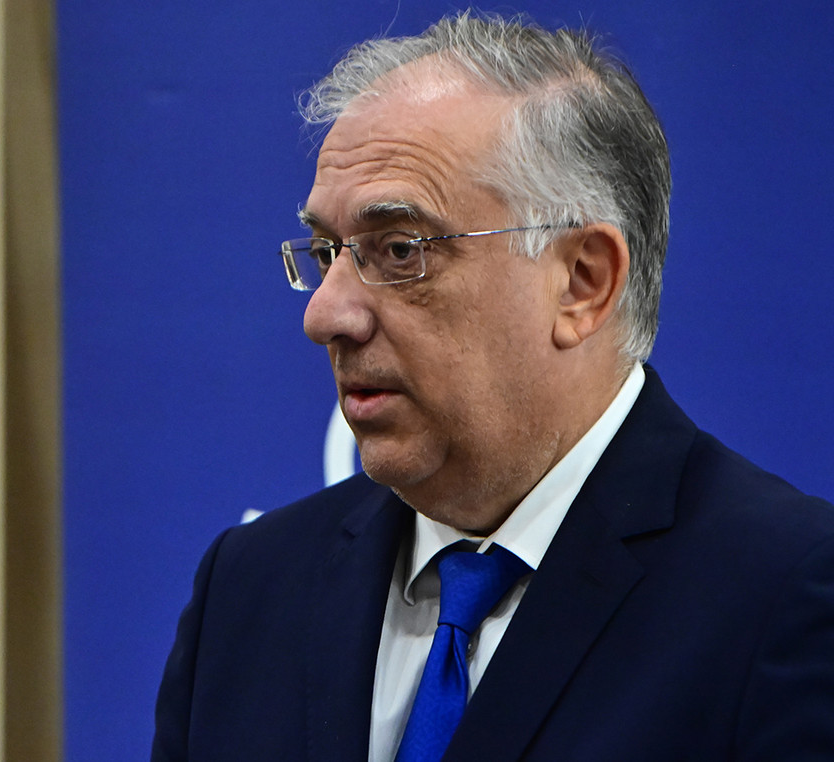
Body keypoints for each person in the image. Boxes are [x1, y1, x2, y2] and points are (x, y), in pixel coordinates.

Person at [151, 11, 834, 762]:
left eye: (400, 249)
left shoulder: (785, 597)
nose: (325, 315)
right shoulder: (248, 587)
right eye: (325, 252)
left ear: (582, 282)